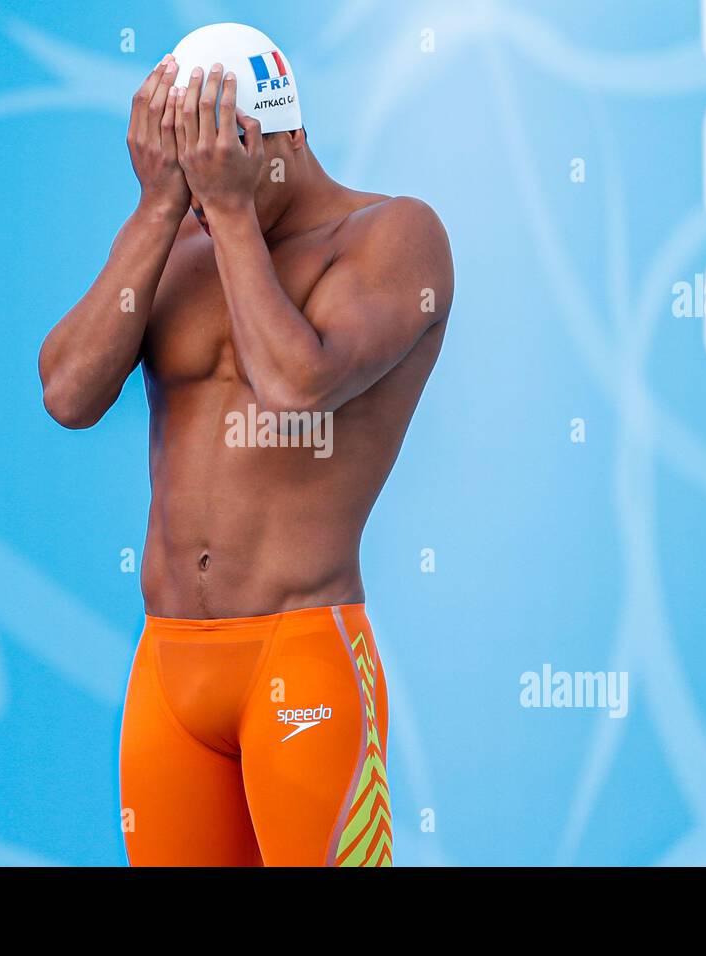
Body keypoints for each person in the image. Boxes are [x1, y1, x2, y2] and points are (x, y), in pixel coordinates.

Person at [38, 22, 453, 866]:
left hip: (302, 660)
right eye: (185, 162)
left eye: (222, 156)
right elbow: (68, 395)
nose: (204, 184)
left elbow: (296, 384)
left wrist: (227, 212)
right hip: (168, 670)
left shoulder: (393, 237)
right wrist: (158, 209)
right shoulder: (176, 240)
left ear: (288, 134)